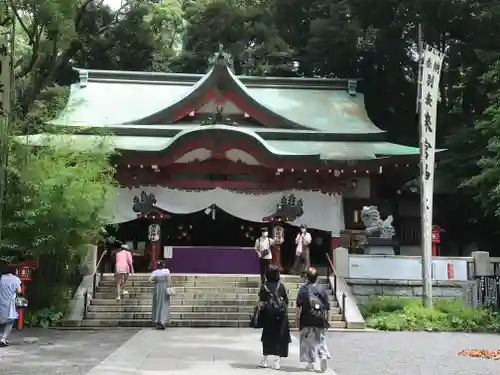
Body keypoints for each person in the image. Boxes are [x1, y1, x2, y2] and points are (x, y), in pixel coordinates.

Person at [295, 267, 331, 372]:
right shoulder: (322, 289)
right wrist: (327, 320)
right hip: (319, 318)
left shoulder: (303, 290)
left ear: (307, 277)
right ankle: (323, 355)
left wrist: (297, 319)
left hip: (306, 318)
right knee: (320, 339)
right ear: (317, 278)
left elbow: (298, 307)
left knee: (307, 341)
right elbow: (328, 307)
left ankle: (310, 364)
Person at [258, 265, 291, 370]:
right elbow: (286, 301)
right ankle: (277, 361)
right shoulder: (281, 286)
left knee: (267, 336)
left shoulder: (264, 286)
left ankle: (265, 360)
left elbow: (261, 301)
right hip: (280, 315)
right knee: (279, 337)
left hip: (268, 315)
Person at [0, 265, 22, 347]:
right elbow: (19, 291)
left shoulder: (2, 278)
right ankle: (3, 339)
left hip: (1, 301)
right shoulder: (16, 279)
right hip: (10, 303)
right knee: (10, 321)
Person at [149, 260, 172, 330]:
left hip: (157, 289)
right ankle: (163, 321)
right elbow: (169, 280)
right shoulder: (166, 271)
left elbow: (149, 280)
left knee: (157, 304)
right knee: (164, 304)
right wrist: (170, 287)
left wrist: (156, 282)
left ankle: (157, 321)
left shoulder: (155, 272)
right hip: (165, 289)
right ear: (163, 265)